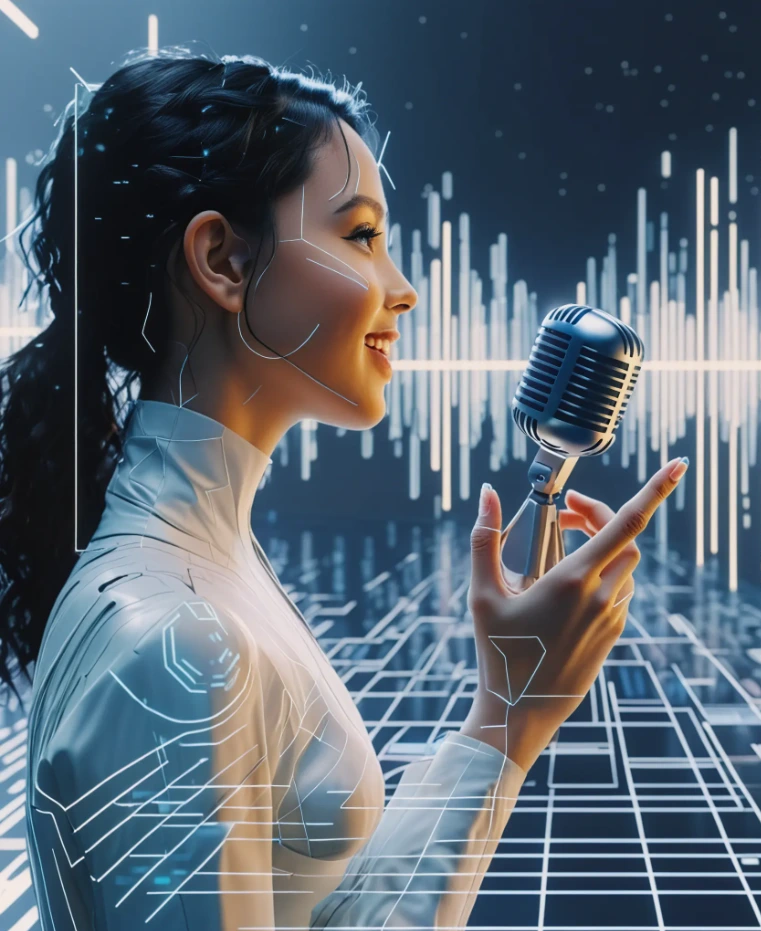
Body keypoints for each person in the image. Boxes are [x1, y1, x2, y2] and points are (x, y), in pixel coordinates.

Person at [1, 46, 690, 930]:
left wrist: (507, 720)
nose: (401, 291)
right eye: (361, 235)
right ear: (222, 260)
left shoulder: (207, 575)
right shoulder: (172, 639)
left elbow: (329, 917)